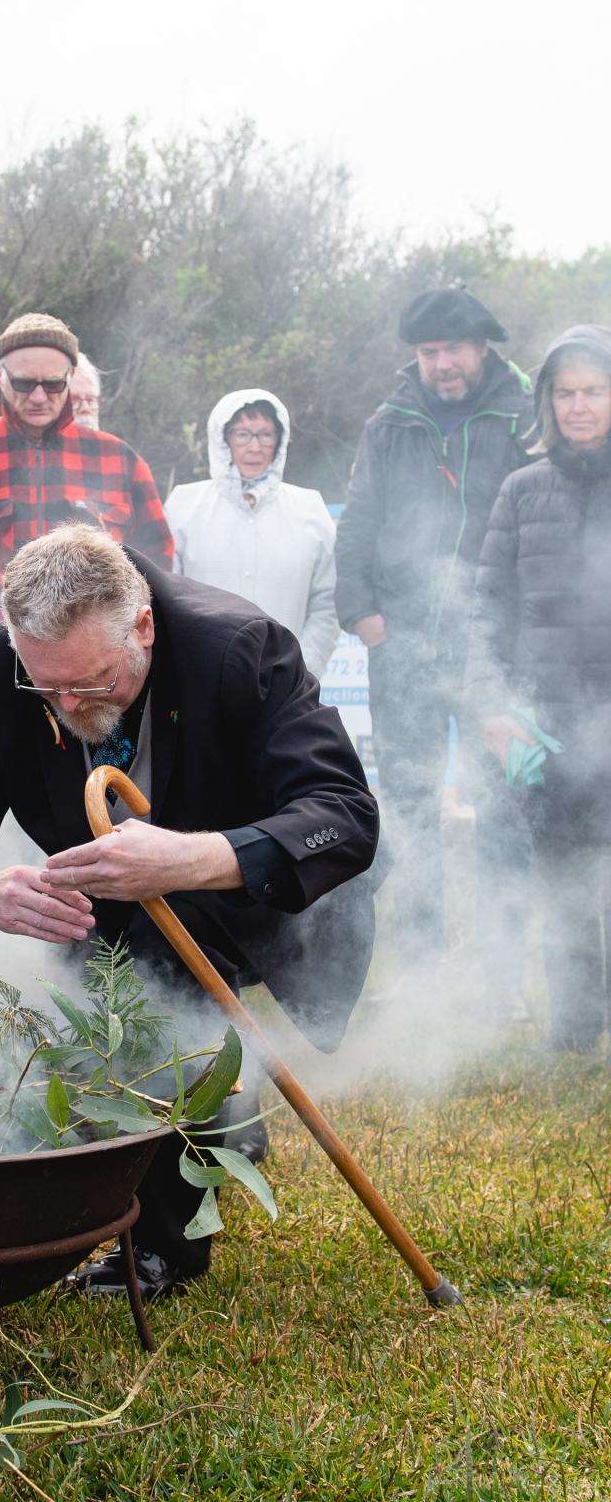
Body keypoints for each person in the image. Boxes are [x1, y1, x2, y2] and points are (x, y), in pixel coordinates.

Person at [0, 524, 378, 1295]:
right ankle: (205, 1117)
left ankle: (161, 1246)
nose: (70, 705)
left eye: (95, 681)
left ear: (142, 627)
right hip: (112, 915)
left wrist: (192, 858)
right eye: (49, 688)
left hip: (261, 894)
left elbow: (343, 814)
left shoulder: (240, 648)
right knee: (110, 994)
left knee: (150, 974)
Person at [333, 286, 531, 980]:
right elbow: (357, 518)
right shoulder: (389, 422)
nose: (440, 363)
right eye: (427, 351)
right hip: (403, 643)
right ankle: (422, 966)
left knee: (502, 804)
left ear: (482, 347)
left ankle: (503, 969)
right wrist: (365, 617)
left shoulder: (525, 416)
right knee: (412, 801)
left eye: (451, 349)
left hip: (494, 651)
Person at [469, 325, 611, 1052]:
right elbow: (485, 612)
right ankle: (577, 1040)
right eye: (566, 392)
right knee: (567, 886)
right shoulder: (522, 490)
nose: (579, 406)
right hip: (550, 728)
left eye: (593, 390)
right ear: (547, 403)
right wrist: (492, 707)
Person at [0, 313, 172, 672]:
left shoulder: (118, 460)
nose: (39, 397)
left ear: (71, 377)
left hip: (92, 676)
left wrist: (127, 654)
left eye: (53, 384)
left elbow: (156, 567)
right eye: (24, 383)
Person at [164, 389, 340, 676]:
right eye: (243, 434)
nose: (255, 447)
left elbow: (327, 602)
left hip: (287, 685)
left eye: (265, 435)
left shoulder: (310, 509)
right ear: (224, 438)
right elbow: (167, 596)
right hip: (203, 677)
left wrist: (302, 670)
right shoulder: (184, 507)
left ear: (280, 441)